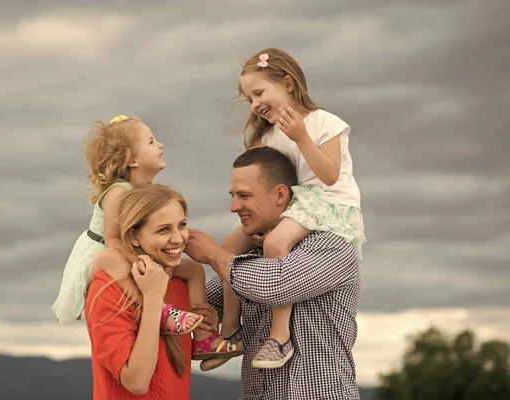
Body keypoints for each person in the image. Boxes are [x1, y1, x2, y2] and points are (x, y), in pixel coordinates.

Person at [217, 48, 366, 369]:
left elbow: (328, 175)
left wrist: (301, 138)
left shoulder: (324, 122)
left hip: (328, 202)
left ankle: (280, 333)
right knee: (229, 245)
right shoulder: (268, 136)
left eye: (259, 92)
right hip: (292, 204)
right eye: (249, 98)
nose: (255, 103)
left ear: (287, 83)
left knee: (275, 243)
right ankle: (231, 329)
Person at [186, 147, 361, 399]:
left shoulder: (331, 246)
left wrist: (213, 254)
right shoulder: (251, 256)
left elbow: (275, 284)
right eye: (233, 195)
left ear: (280, 195)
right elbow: (203, 298)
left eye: (244, 195)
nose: (234, 206)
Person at [52, 116, 212, 344]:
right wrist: (144, 263)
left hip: (130, 250)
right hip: (102, 253)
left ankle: (204, 337)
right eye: (151, 142)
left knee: (194, 269)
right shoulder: (118, 192)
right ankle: (160, 312)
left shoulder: (145, 192)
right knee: (111, 259)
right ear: (131, 160)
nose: (160, 145)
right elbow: (113, 239)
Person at [86, 184, 200, 399]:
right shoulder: (108, 289)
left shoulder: (181, 283)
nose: (178, 238)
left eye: (182, 225)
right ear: (134, 237)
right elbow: (136, 382)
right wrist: (153, 299)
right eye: (164, 229)